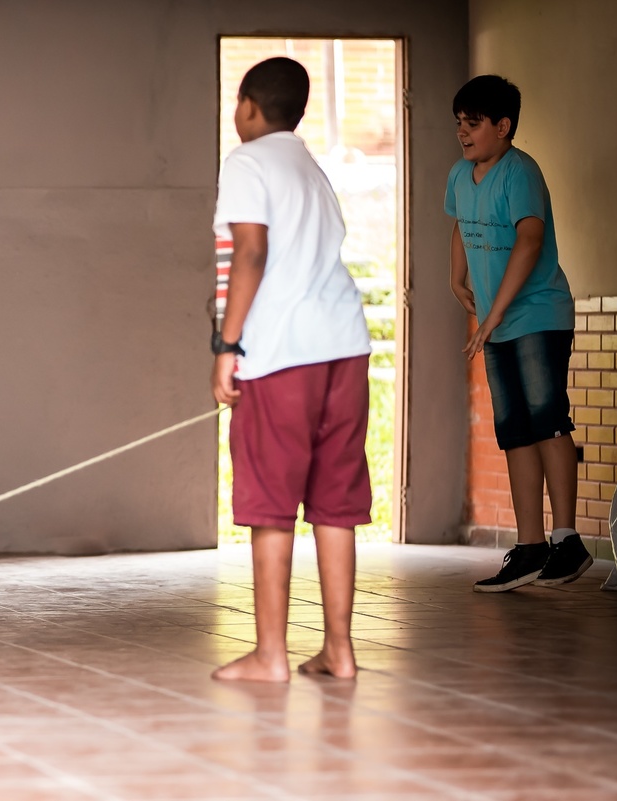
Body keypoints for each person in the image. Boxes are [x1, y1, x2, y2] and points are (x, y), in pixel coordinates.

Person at [209, 57, 372, 683]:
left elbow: (251, 251)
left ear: (248, 106)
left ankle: (270, 655)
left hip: (282, 352)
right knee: (336, 501)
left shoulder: (247, 162)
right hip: (345, 346)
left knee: (270, 500)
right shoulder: (313, 169)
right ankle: (340, 650)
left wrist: (228, 346)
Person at [446, 75, 590, 592]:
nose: (463, 133)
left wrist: (491, 315)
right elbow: (461, 224)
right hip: (499, 322)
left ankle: (567, 541)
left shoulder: (521, 171)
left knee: (548, 422)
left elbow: (530, 242)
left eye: (474, 123)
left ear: (503, 127)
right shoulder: (462, 176)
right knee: (514, 432)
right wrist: (454, 275)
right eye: (459, 123)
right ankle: (529, 547)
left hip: (537, 314)